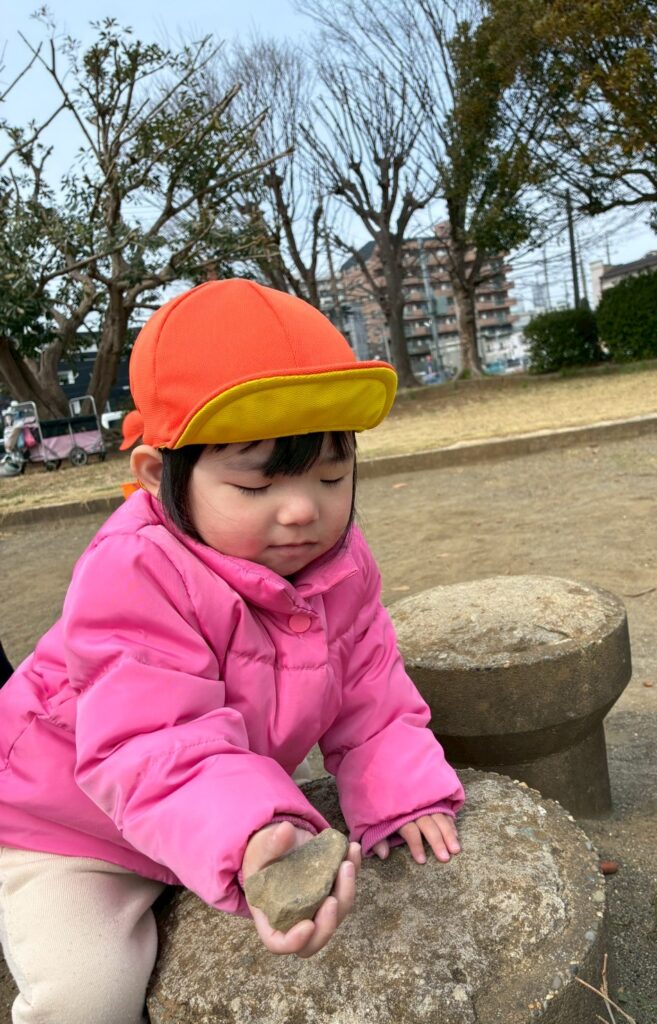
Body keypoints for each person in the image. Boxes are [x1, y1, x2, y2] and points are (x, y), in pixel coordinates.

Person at [0, 279, 464, 1024]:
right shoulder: (134, 571)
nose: (302, 509)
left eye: (331, 475)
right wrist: (253, 834)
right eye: (255, 486)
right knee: (88, 994)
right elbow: (155, 740)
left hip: (204, 806)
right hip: (72, 828)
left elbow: (370, 684)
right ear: (161, 477)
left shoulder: (338, 564)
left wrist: (401, 787)